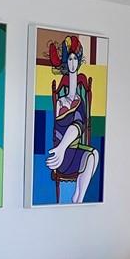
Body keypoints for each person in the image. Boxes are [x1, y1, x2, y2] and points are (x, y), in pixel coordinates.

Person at [45, 34, 98, 203]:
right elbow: (63, 128)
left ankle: (78, 199)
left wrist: (63, 146)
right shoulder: (60, 101)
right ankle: (77, 199)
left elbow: (79, 125)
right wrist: (60, 148)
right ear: (66, 62)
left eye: (75, 59)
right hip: (62, 154)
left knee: (94, 154)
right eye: (70, 59)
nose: (73, 63)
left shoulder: (79, 101)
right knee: (92, 154)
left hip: (71, 148)